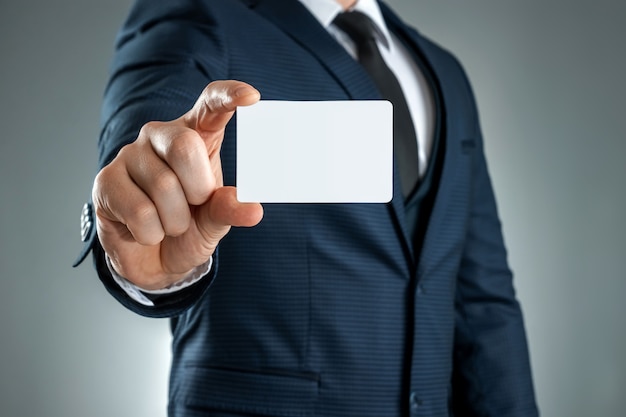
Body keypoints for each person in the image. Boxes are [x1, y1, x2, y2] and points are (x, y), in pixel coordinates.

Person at [75, 0, 539, 416]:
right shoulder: (199, 16)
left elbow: (484, 301)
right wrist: (140, 202)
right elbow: (150, 127)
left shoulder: (445, 72)